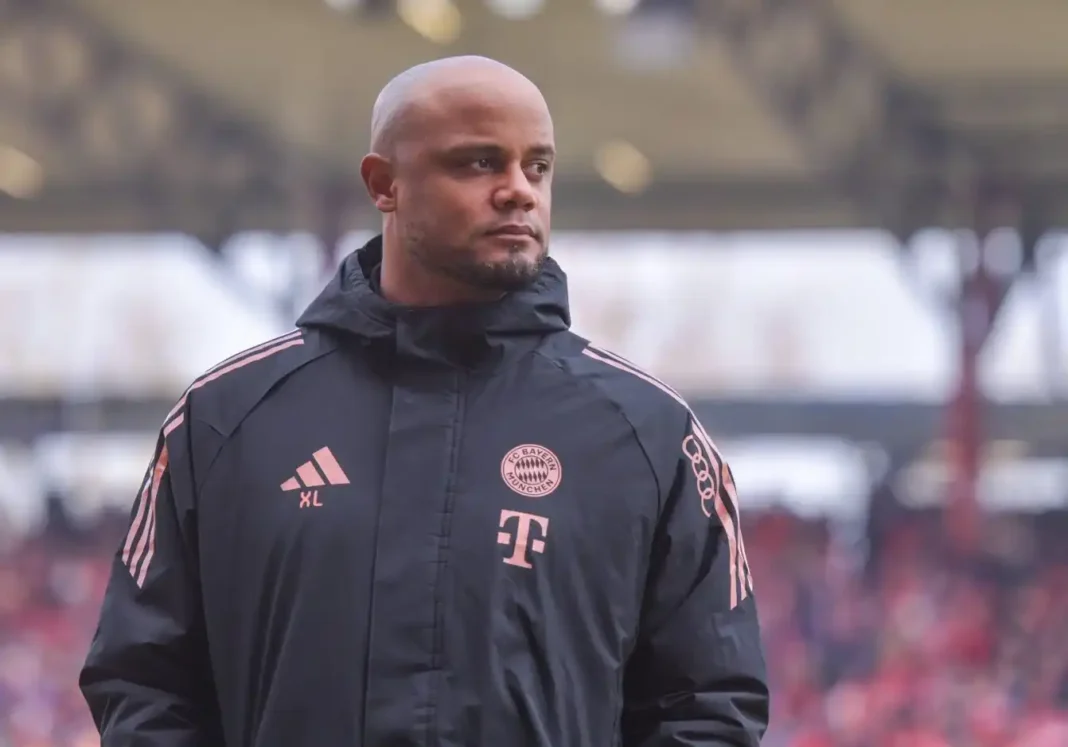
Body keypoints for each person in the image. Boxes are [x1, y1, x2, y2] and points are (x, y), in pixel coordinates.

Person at [80, 56, 769, 746]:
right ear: (385, 184)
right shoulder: (226, 419)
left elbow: (709, 704)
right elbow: (144, 683)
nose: (518, 191)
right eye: (479, 163)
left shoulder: (650, 434)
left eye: (537, 167)